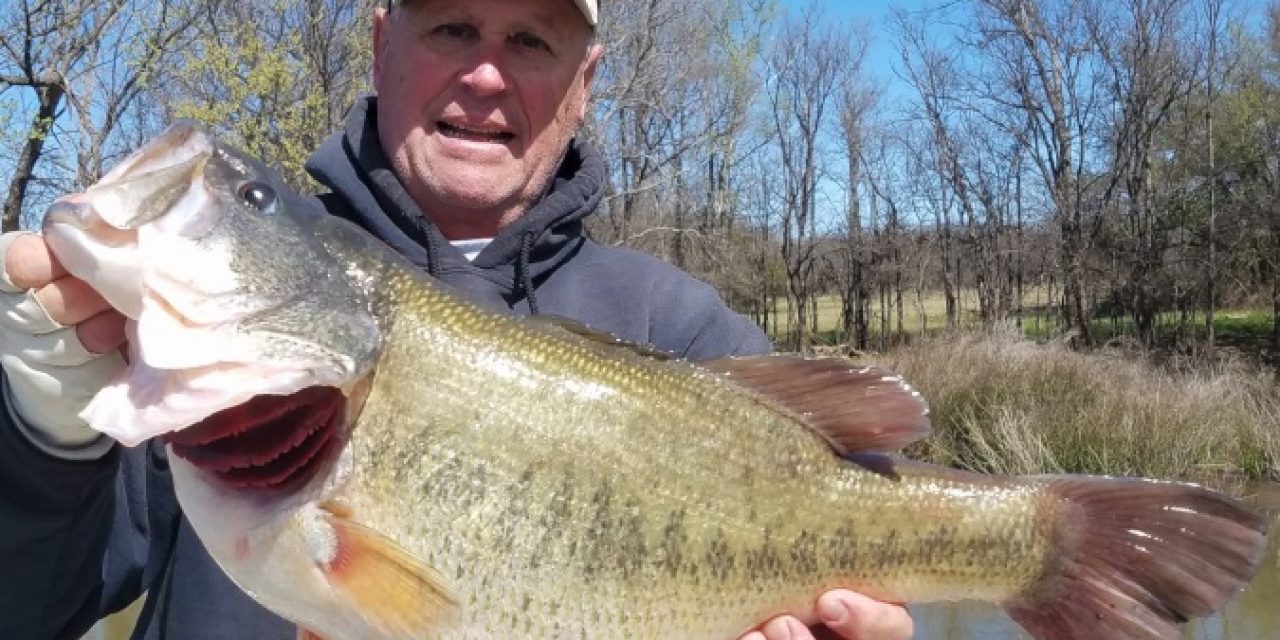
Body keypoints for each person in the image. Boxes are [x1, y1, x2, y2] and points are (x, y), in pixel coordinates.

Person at [0, 1, 914, 638]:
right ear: (380, 44)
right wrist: (40, 441)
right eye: (453, 27)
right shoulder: (182, 356)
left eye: (529, 38)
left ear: (584, 80)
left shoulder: (683, 330)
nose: (485, 73)